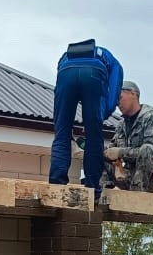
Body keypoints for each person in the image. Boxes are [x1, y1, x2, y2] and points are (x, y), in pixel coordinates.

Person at [48, 39, 123, 197]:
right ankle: (92, 187)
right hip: (94, 73)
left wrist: (62, 120)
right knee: (94, 136)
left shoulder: (64, 57)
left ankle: (56, 183)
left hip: (66, 73)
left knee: (62, 133)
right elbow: (114, 89)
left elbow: (60, 93)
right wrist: (98, 117)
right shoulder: (109, 58)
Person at [104, 81, 153, 192]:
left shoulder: (150, 117)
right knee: (101, 153)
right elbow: (111, 149)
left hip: (151, 179)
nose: (118, 103)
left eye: (120, 98)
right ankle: (102, 191)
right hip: (126, 175)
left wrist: (120, 152)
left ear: (133, 94)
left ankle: (137, 194)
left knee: (147, 149)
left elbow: (150, 152)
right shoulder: (121, 125)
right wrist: (110, 155)